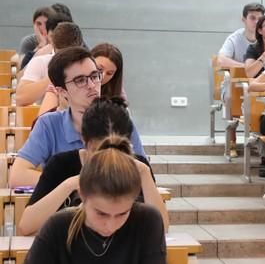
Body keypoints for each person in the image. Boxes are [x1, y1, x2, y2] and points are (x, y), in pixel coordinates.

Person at [7, 135, 169, 264]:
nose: (110, 225)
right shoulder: (59, 225)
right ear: (82, 195)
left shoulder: (148, 221)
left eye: (122, 214)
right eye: (101, 213)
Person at [18, 97, 169, 236]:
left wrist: (144, 173)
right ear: (85, 141)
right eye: (100, 151)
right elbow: (26, 226)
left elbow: (162, 228)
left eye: (119, 150)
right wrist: (70, 184)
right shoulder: (61, 164)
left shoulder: (138, 167)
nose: (110, 158)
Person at [9, 47, 146, 188]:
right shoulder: (49, 124)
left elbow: (143, 174)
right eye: (80, 80)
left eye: (94, 76)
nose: (92, 85)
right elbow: (18, 176)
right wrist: (77, 184)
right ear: (62, 91)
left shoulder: (120, 120)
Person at [16, 22, 85, 107]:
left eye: (70, 54)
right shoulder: (41, 62)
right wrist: (54, 74)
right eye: (61, 54)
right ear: (53, 46)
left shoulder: (87, 67)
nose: (66, 59)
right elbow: (20, 98)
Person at [217, 2, 265, 68]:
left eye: (259, 19)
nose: (256, 22)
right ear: (243, 20)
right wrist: (248, 68)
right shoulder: (234, 39)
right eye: (252, 18)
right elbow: (221, 60)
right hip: (239, 77)